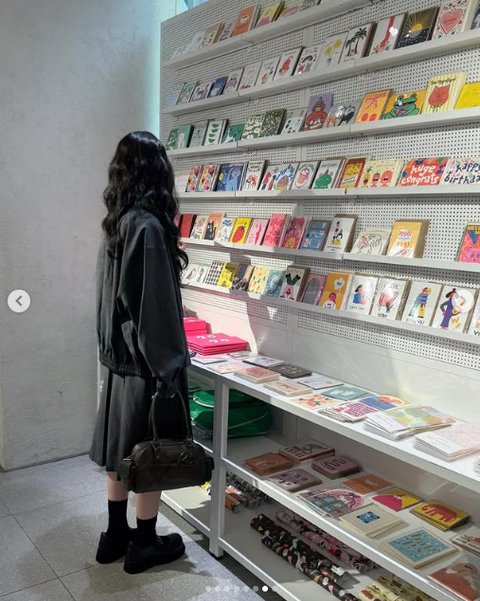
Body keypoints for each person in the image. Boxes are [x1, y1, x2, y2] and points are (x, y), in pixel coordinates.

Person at [89, 131, 190, 574]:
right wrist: (169, 367)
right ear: (157, 171)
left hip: (121, 363)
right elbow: (154, 308)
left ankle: (115, 536)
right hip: (148, 365)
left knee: (121, 451)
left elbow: (107, 298)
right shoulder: (148, 226)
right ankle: (144, 543)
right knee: (152, 453)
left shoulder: (118, 222)